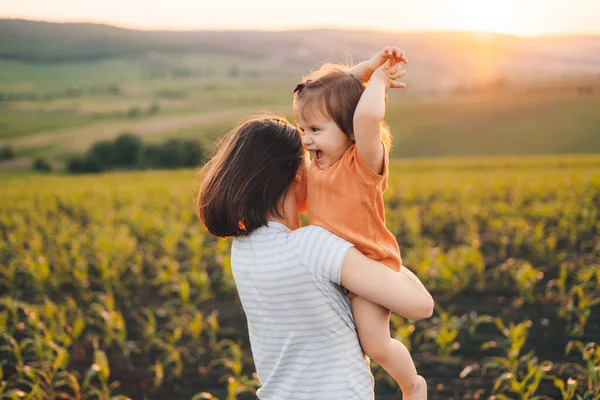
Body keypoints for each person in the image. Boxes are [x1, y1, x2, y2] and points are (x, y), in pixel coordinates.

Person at [197, 114, 433, 399]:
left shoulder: (243, 249)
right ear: (297, 173)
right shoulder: (313, 246)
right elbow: (421, 306)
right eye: (311, 158)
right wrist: (373, 251)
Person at [293, 47, 427, 398]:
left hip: (368, 266)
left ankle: (413, 386)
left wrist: (378, 81)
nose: (307, 138)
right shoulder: (316, 166)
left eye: (316, 130)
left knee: (376, 346)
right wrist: (364, 69)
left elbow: (365, 118)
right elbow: (327, 96)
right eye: (302, 128)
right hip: (336, 269)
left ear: (349, 131)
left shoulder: (361, 163)